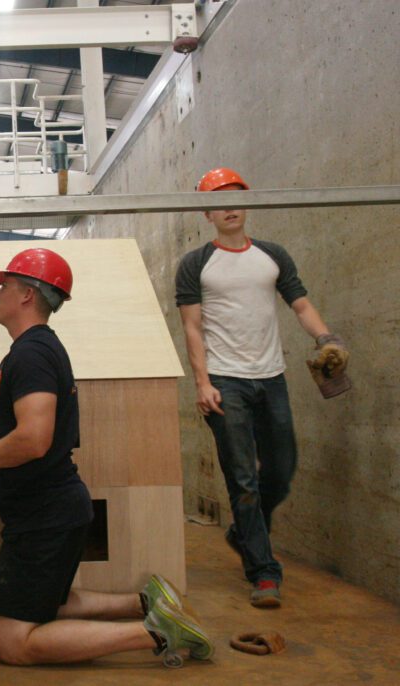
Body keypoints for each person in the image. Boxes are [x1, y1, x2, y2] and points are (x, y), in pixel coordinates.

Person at [0, 248, 213, 667]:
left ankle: (156, 632)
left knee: (13, 642)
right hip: (46, 513)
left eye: (4, 286)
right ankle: (146, 602)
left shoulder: (34, 355)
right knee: (46, 603)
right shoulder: (22, 354)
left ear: (27, 294)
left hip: (46, 515)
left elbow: (34, 440)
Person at [175, 167, 349, 608]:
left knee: (281, 470)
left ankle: (242, 533)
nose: (230, 206)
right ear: (207, 213)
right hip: (225, 383)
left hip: (271, 378)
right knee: (244, 480)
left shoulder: (273, 255)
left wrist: (326, 338)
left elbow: (301, 305)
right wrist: (202, 383)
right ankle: (264, 571)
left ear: (246, 203)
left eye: (236, 197)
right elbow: (192, 329)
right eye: (220, 200)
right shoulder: (196, 264)